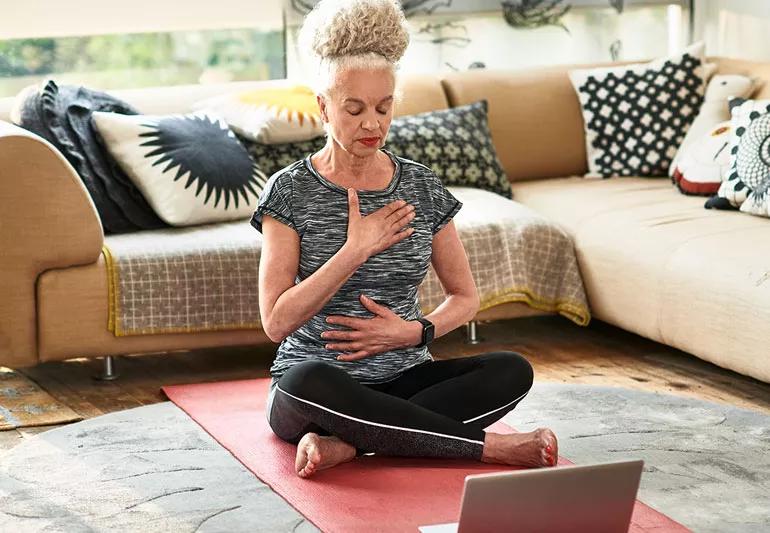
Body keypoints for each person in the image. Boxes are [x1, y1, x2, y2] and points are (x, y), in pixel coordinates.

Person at [250, 0, 558, 479]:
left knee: (512, 370)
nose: (372, 124)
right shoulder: (290, 191)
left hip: (406, 380)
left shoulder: (420, 186)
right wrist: (354, 250)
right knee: (305, 381)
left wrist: (415, 332)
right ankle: (489, 448)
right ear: (323, 107)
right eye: (353, 109)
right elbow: (275, 322)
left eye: (383, 107)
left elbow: (465, 297)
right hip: (318, 390)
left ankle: (351, 445)